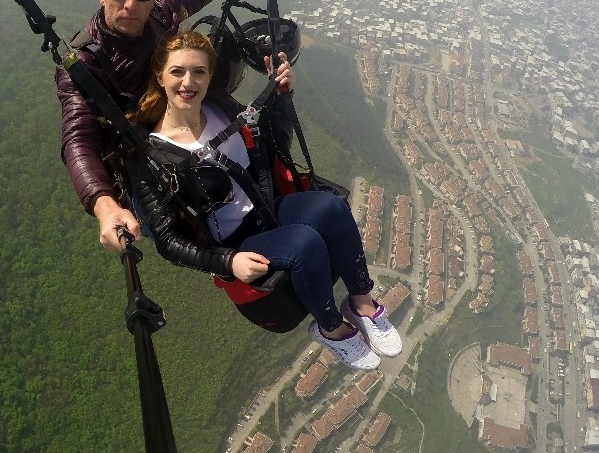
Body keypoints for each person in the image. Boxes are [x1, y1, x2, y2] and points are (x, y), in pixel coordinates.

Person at [127, 31, 402, 370]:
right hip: (236, 240)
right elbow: (168, 241)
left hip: (268, 208)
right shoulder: (152, 158)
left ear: (210, 76)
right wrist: (228, 262)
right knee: (304, 243)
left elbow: (273, 147)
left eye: (199, 72)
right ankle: (331, 329)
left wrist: (282, 97)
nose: (188, 82)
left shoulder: (221, 109)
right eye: (177, 72)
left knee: (331, 207)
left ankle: (361, 304)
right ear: (160, 77)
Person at [56, 0, 236, 252]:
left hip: (185, 119)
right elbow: (78, 136)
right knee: (194, 236)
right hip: (146, 160)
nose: (131, 4)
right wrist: (104, 204)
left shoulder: (160, 12)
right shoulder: (84, 63)